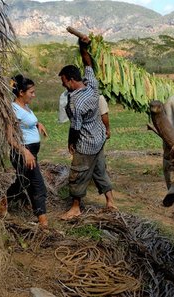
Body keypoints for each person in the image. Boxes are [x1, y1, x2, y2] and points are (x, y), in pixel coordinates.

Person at [58, 35, 116, 219]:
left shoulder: (76, 101)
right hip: (99, 139)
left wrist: (70, 143)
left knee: (78, 174)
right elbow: (88, 63)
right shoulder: (92, 85)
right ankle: (110, 202)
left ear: (70, 80)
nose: (63, 85)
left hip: (86, 144)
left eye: (63, 81)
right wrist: (83, 47)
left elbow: (75, 127)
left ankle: (75, 208)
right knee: (99, 170)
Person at [6, 74, 49, 228]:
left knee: (23, 181)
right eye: (31, 92)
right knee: (38, 185)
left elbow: (28, 121)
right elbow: (10, 138)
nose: (34, 95)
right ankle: (43, 223)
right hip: (23, 153)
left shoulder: (25, 107)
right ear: (21, 93)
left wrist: (38, 124)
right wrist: (25, 152)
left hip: (31, 152)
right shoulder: (13, 109)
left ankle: (3, 202)